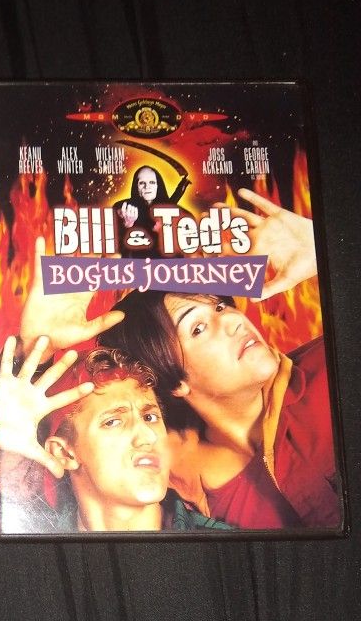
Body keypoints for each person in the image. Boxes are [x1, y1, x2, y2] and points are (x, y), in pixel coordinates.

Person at [17, 191, 340, 529]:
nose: (233, 320)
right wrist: (34, 350)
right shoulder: (157, 460)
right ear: (175, 382)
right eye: (198, 327)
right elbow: (34, 472)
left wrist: (327, 252)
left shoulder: (328, 376)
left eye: (220, 306)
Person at [0, 337, 231, 533]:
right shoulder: (32, 550)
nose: (147, 436)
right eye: (113, 422)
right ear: (64, 453)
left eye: (150, 417)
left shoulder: (224, 546)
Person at [113, 165, 186, 253]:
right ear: (136, 186)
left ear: (158, 185)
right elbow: (117, 245)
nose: (147, 187)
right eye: (141, 183)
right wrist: (127, 225)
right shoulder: (123, 207)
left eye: (152, 182)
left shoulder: (171, 209)